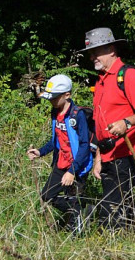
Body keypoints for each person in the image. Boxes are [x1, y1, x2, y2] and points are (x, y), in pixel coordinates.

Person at [82, 27, 135, 231]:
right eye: (91, 53)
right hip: (108, 153)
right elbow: (100, 124)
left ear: (111, 50)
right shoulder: (101, 80)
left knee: (111, 210)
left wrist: (126, 123)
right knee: (118, 203)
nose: (92, 57)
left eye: (96, 51)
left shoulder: (128, 75)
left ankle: (113, 248)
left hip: (128, 153)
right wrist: (98, 157)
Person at [27, 74, 94, 234]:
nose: (51, 101)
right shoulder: (54, 113)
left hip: (77, 165)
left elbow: (84, 145)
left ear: (67, 95)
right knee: (47, 195)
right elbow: (55, 140)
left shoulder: (78, 115)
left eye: (54, 98)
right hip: (61, 163)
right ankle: (80, 211)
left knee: (72, 197)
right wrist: (40, 152)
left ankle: (78, 232)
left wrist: (72, 171)